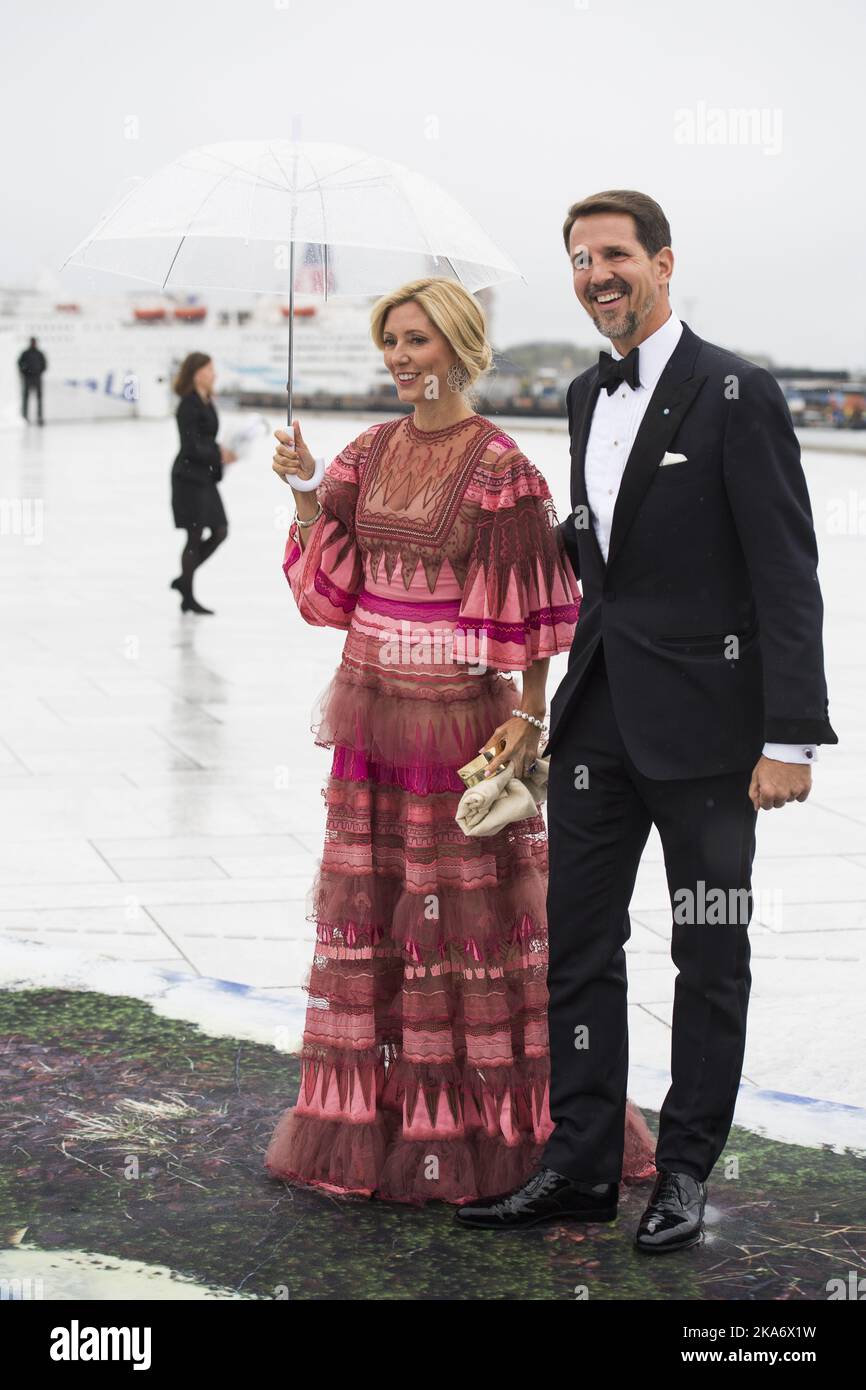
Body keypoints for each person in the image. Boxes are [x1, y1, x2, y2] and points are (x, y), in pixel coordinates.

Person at [454, 190, 838, 1251]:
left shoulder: (736, 390)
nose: (595, 275)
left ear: (663, 263)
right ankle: (577, 1166)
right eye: (578, 261)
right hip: (597, 724)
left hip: (713, 738)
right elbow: (600, 570)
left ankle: (681, 1171)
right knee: (577, 946)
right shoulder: (583, 394)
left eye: (613, 255)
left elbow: (785, 571)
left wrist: (788, 735)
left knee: (708, 951)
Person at [263, 276, 658, 1206]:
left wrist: (528, 718)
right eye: (390, 341)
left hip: (460, 732)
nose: (401, 358)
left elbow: (530, 621)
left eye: (418, 341)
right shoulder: (364, 452)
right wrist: (308, 493)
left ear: (460, 348)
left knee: (468, 929)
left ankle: (487, 1129)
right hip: (369, 720)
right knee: (377, 920)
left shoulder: (502, 469)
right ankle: (380, 1120)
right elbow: (327, 598)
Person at [170, 353, 237, 614]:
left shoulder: (205, 400)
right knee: (195, 534)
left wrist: (223, 451)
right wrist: (219, 453)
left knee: (220, 530)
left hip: (204, 477)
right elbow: (190, 446)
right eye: (210, 369)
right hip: (188, 479)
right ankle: (187, 594)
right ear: (197, 373)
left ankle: (184, 581)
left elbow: (205, 440)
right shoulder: (188, 404)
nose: (214, 374)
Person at [18, 337, 47, 425]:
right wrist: (25, 372)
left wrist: (39, 372)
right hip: (28, 378)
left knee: (39, 399)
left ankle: (39, 417)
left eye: (35, 342)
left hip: (37, 378)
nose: (34, 343)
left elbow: (44, 364)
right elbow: (20, 363)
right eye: (32, 342)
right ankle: (24, 417)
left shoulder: (39, 353)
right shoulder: (25, 353)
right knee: (26, 398)